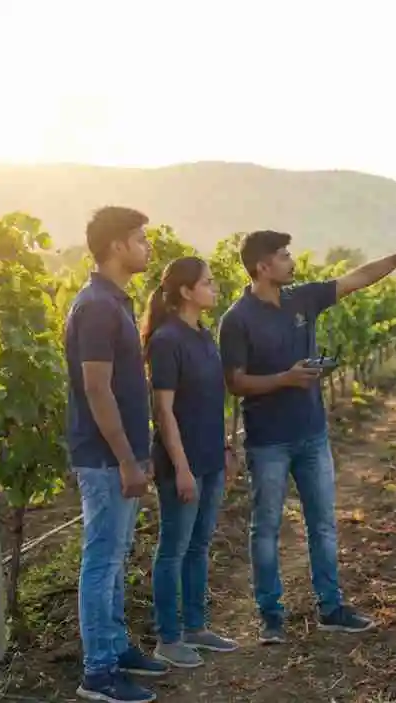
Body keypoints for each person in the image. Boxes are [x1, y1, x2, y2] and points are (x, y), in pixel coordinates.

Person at [218, 230, 396, 643]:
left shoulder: (302, 299)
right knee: (266, 528)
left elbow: (360, 277)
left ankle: (331, 607)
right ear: (262, 267)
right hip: (268, 441)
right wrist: (285, 379)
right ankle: (271, 617)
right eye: (284, 256)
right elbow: (235, 383)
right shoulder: (237, 319)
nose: (292, 261)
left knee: (322, 524)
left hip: (312, 434)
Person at [64, 206, 169, 703]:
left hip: (120, 453)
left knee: (115, 554)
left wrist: (137, 453)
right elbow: (96, 388)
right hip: (105, 456)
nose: (148, 246)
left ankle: (116, 647)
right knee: (102, 560)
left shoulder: (114, 302)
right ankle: (98, 673)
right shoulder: (97, 307)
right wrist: (127, 458)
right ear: (116, 246)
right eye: (140, 238)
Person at [141, 256, 241, 669]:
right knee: (173, 549)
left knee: (199, 546)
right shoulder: (167, 341)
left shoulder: (203, 335)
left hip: (210, 457)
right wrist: (181, 468)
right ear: (185, 291)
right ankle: (168, 638)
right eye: (208, 282)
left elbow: (210, 401)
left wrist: (224, 449)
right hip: (182, 463)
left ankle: (196, 627)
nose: (215, 288)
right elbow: (163, 411)